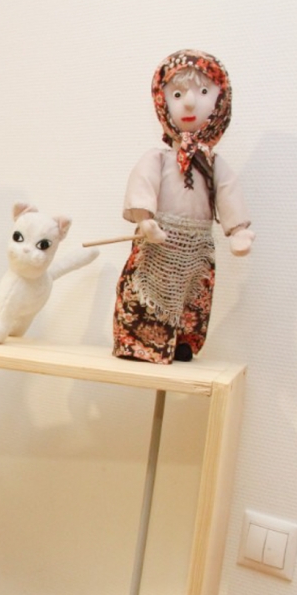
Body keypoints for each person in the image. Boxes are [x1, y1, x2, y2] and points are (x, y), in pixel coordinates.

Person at [112, 49, 255, 364]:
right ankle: (140, 343)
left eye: (203, 92)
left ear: (220, 102)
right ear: (163, 102)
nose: (189, 103)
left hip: (196, 249)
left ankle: (182, 341)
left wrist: (238, 230)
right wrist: (145, 219)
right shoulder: (158, 159)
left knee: (193, 298)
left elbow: (228, 192)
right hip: (157, 243)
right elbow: (142, 185)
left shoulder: (213, 165)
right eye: (177, 94)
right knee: (145, 294)